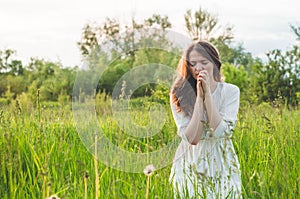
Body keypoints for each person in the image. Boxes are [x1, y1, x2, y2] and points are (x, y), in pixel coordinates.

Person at [169, 41, 243, 198]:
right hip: (191, 159)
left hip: (221, 157)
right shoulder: (178, 93)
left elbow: (220, 132)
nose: (198, 68)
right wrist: (199, 98)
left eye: (204, 62)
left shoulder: (230, 91)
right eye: (193, 64)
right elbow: (192, 138)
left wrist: (208, 95)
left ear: (215, 64)